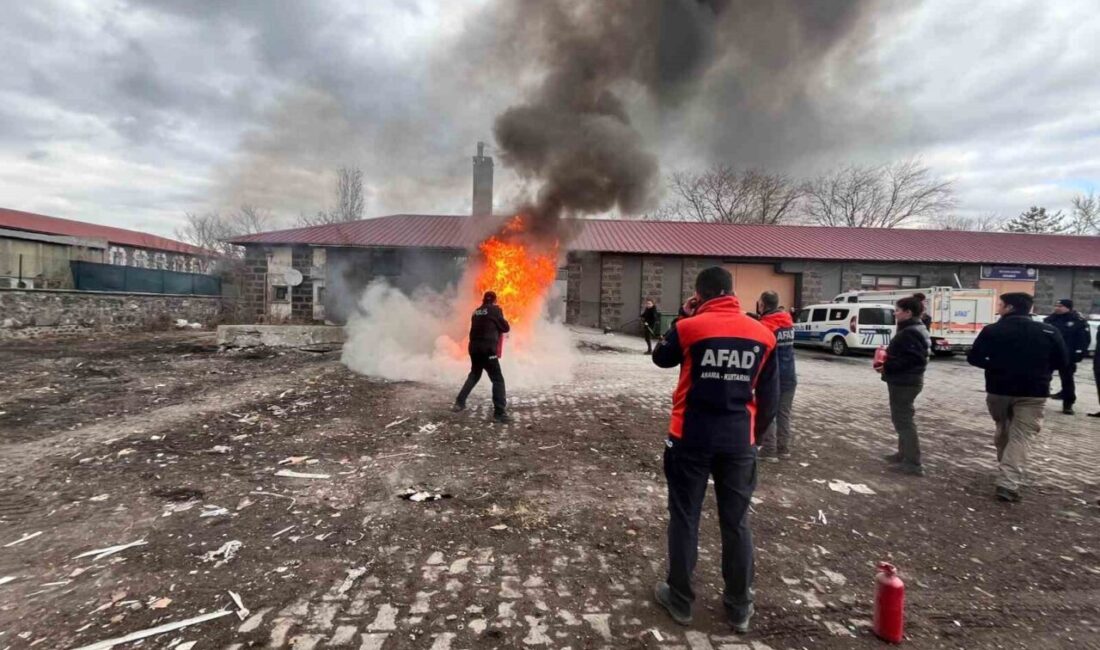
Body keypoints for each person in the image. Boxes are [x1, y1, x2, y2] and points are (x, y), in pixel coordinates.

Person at [650, 267, 778, 633]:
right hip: (739, 443)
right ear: (732, 292)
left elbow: (662, 357)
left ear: (700, 294)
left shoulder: (689, 328)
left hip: (690, 438)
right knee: (736, 522)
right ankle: (739, 606)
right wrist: (754, 438)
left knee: (685, 517)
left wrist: (685, 317)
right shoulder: (763, 334)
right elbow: (769, 399)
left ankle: (680, 599)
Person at [967, 292, 1069, 502]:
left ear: (1010, 308)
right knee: (1021, 436)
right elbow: (1063, 361)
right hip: (1034, 391)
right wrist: (1041, 369)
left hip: (998, 390)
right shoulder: (1049, 331)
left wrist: (995, 366)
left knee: (1004, 428)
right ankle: (1008, 480)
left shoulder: (993, 330)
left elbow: (974, 357)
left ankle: (1006, 473)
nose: (998, 308)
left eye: (1000, 304)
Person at [875, 296, 930, 476]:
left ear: (908, 312)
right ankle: (903, 453)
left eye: (898, 310)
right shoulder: (913, 328)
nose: (895, 313)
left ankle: (913, 462)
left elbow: (915, 359)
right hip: (904, 380)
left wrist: (888, 365)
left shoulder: (911, 332)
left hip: (905, 382)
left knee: (903, 420)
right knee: (901, 418)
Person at [452, 291, 512, 423]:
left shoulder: (476, 312)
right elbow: (505, 327)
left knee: (474, 375)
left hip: (474, 349)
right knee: (497, 379)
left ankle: (459, 402)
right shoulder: (495, 310)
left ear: (483, 300)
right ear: (494, 300)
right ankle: (499, 413)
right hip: (488, 349)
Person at [755, 291, 797, 462]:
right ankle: (783, 448)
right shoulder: (787, 321)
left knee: (769, 411)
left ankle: (769, 450)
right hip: (790, 375)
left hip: (772, 376)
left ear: (763, 305)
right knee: (784, 413)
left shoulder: (765, 326)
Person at [1044, 299, 1092, 415]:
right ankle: (1039, 399)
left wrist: (1079, 354)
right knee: (1044, 378)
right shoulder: (1050, 320)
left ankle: (1068, 404)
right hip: (1050, 355)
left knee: (1067, 380)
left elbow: (1084, 340)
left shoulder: (1077, 321)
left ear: (1068, 308)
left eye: (1060, 306)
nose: (1057, 308)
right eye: (1056, 305)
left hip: (1067, 356)